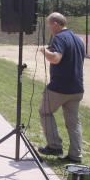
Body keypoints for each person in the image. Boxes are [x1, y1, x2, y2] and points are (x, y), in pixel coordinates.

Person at [37, 12, 85, 163]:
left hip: (59, 87)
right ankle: (75, 155)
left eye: (49, 24)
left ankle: (54, 146)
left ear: (56, 24)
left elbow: (56, 58)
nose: (49, 28)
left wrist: (44, 51)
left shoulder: (59, 37)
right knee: (73, 122)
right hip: (77, 88)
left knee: (45, 112)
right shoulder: (78, 39)